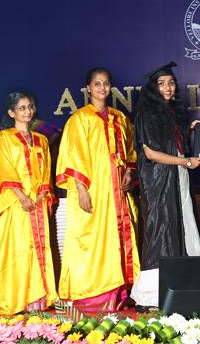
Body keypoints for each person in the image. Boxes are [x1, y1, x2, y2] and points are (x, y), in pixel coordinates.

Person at [56, 67, 139, 312]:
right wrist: (81, 190)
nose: (102, 88)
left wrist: (129, 172)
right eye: (97, 84)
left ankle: (120, 293)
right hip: (95, 191)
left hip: (118, 192)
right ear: (88, 88)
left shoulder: (119, 118)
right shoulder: (79, 119)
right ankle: (93, 295)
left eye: (106, 83)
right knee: (93, 239)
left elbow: (130, 151)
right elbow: (73, 157)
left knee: (119, 238)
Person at [131, 62, 200, 312]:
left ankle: (186, 286)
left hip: (178, 178)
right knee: (160, 232)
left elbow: (177, 146)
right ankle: (151, 295)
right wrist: (185, 162)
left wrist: (194, 129)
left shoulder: (172, 112)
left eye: (171, 83)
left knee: (183, 225)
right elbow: (151, 154)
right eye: (161, 83)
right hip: (158, 182)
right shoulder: (147, 113)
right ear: (153, 87)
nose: (167, 87)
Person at [0, 91, 58, 314]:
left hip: (37, 202)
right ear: (11, 113)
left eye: (30, 107)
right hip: (15, 203)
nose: (27, 111)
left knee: (38, 248)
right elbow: (4, 170)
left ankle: (37, 299)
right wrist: (22, 197)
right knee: (17, 250)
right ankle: (15, 300)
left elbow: (46, 171)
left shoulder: (41, 140)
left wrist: (41, 195)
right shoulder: (3, 138)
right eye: (21, 108)